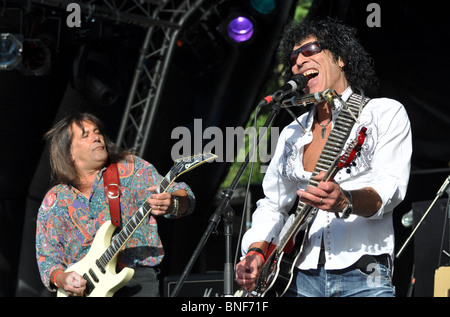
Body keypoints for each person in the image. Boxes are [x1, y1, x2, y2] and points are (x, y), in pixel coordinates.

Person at [235, 18, 412, 297]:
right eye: (294, 58)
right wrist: (257, 250)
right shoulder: (292, 132)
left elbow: (389, 190)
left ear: (340, 58)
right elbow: (273, 203)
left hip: (364, 273)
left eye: (310, 50)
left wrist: (346, 200)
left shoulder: (383, 114)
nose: (299, 63)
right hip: (298, 275)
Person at [36, 112, 195, 297]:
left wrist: (174, 203)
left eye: (97, 132)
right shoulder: (55, 199)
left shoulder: (130, 169)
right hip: (84, 291)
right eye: (85, 135)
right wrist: (62, 279)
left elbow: (185, 198)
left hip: (136, 282)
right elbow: (47, 257)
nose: (96, 137)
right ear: (69, 152)